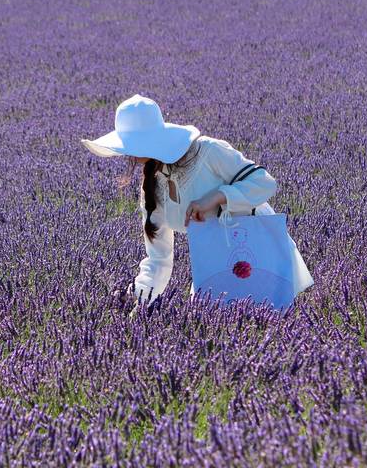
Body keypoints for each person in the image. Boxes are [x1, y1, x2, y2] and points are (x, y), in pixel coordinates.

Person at [81, 94, 313, 312]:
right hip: (214, 264)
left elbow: (264, 183)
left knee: (267, 321)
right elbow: (159, 258)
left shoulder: (208, 152)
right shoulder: (152, 188)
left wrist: (216, 197)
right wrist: (139, 303)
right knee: (212, 324)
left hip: (257, 251)